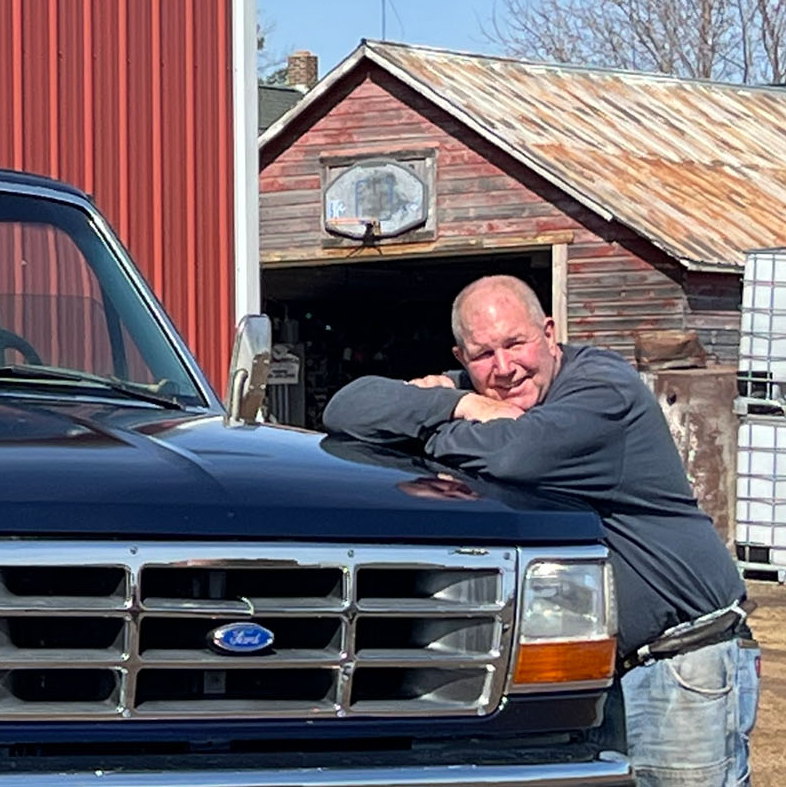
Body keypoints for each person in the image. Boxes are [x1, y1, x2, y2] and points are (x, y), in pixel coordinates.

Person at [321, 275, 755, 787]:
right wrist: (458, 405)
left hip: (681, 662)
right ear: (461, 358)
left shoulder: (602, 388)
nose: (503, 369)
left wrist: (425, 428)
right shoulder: (479, 394)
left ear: (549, 333)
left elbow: (517, 453)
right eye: (483, 354)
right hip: (593, 672)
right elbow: (346, 408)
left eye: (515, 343)